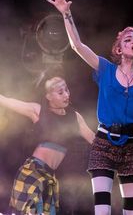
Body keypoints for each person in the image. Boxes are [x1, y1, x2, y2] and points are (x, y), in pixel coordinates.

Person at [46, 0, 133, 215]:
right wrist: (66, 14)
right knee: (102, 210)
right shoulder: (106, 69)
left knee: (132, 212)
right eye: (128, 38)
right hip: (104, 142)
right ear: (119, 49)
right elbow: (77, 46)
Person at [0, 75, 95, 214]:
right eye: (60, 92)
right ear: (49, 96)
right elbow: (8, 101)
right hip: (33, 171)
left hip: (50, 177)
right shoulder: (39, 111)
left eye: (67, 90)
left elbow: (94, 139)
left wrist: (122, 146)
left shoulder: (75, 117)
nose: (66, 95)